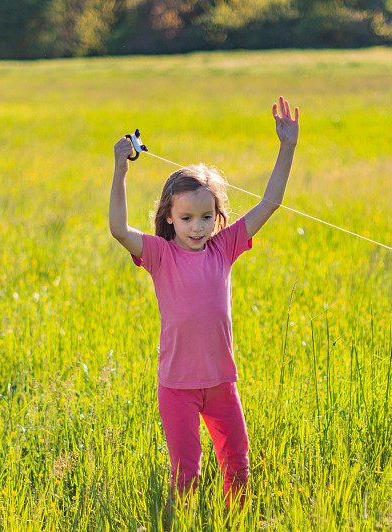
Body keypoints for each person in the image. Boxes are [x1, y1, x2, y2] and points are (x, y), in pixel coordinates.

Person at [109, 97, 299, 509]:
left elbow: (270, 203)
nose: (198, 227)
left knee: (237, 464)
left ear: (218, 216)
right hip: (176, 385)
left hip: (221, 382)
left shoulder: (224, 247)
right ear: (170, 217)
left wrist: (287, 147)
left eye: (206, 217)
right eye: (187, 218)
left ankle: (236, 519)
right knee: (186, 473)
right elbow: (118, 228)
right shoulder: (160, 254)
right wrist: (120, 171)